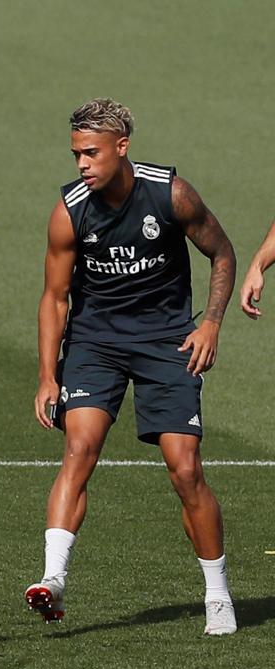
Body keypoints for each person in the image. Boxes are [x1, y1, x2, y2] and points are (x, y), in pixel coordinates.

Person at [29, 98, 237, 635]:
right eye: (76, 154)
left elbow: (222, 253)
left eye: (91, 153)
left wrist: (210, 323)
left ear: (122, 148)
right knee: (79, 447)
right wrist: (48, 376)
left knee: (185, 468)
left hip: (167, 341)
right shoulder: (69, 210)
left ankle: (217, 595)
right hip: (96, 343)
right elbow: (54, 299)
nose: (81, 164)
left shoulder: (170, 194)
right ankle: (53, 580)